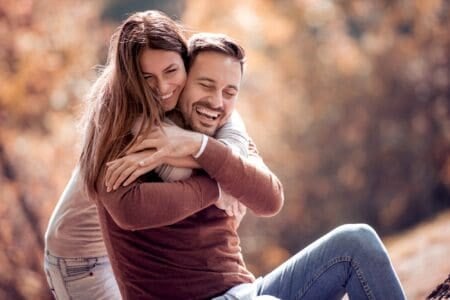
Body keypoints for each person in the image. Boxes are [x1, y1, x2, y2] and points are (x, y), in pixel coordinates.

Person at [95, 33, 407, 299]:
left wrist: (200, 147)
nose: (217, 102)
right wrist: (217, 187)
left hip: (246, 291)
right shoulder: (132, 139)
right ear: (183, 81)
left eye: (229, 92)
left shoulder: (227, 134)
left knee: (357, 241)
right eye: (206, 85)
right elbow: (129, 212)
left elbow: (270, 198)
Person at [44, 11, 247, 300]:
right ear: (130, 77)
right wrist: (220, 182)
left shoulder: (190, 85)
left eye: (171, 72)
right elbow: (181, 180)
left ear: (186, 62)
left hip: (130, 253)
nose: (162, 88)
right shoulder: (125, 119)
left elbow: (231, 119)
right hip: (82, 260)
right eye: (147, 77)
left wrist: (228, 158)